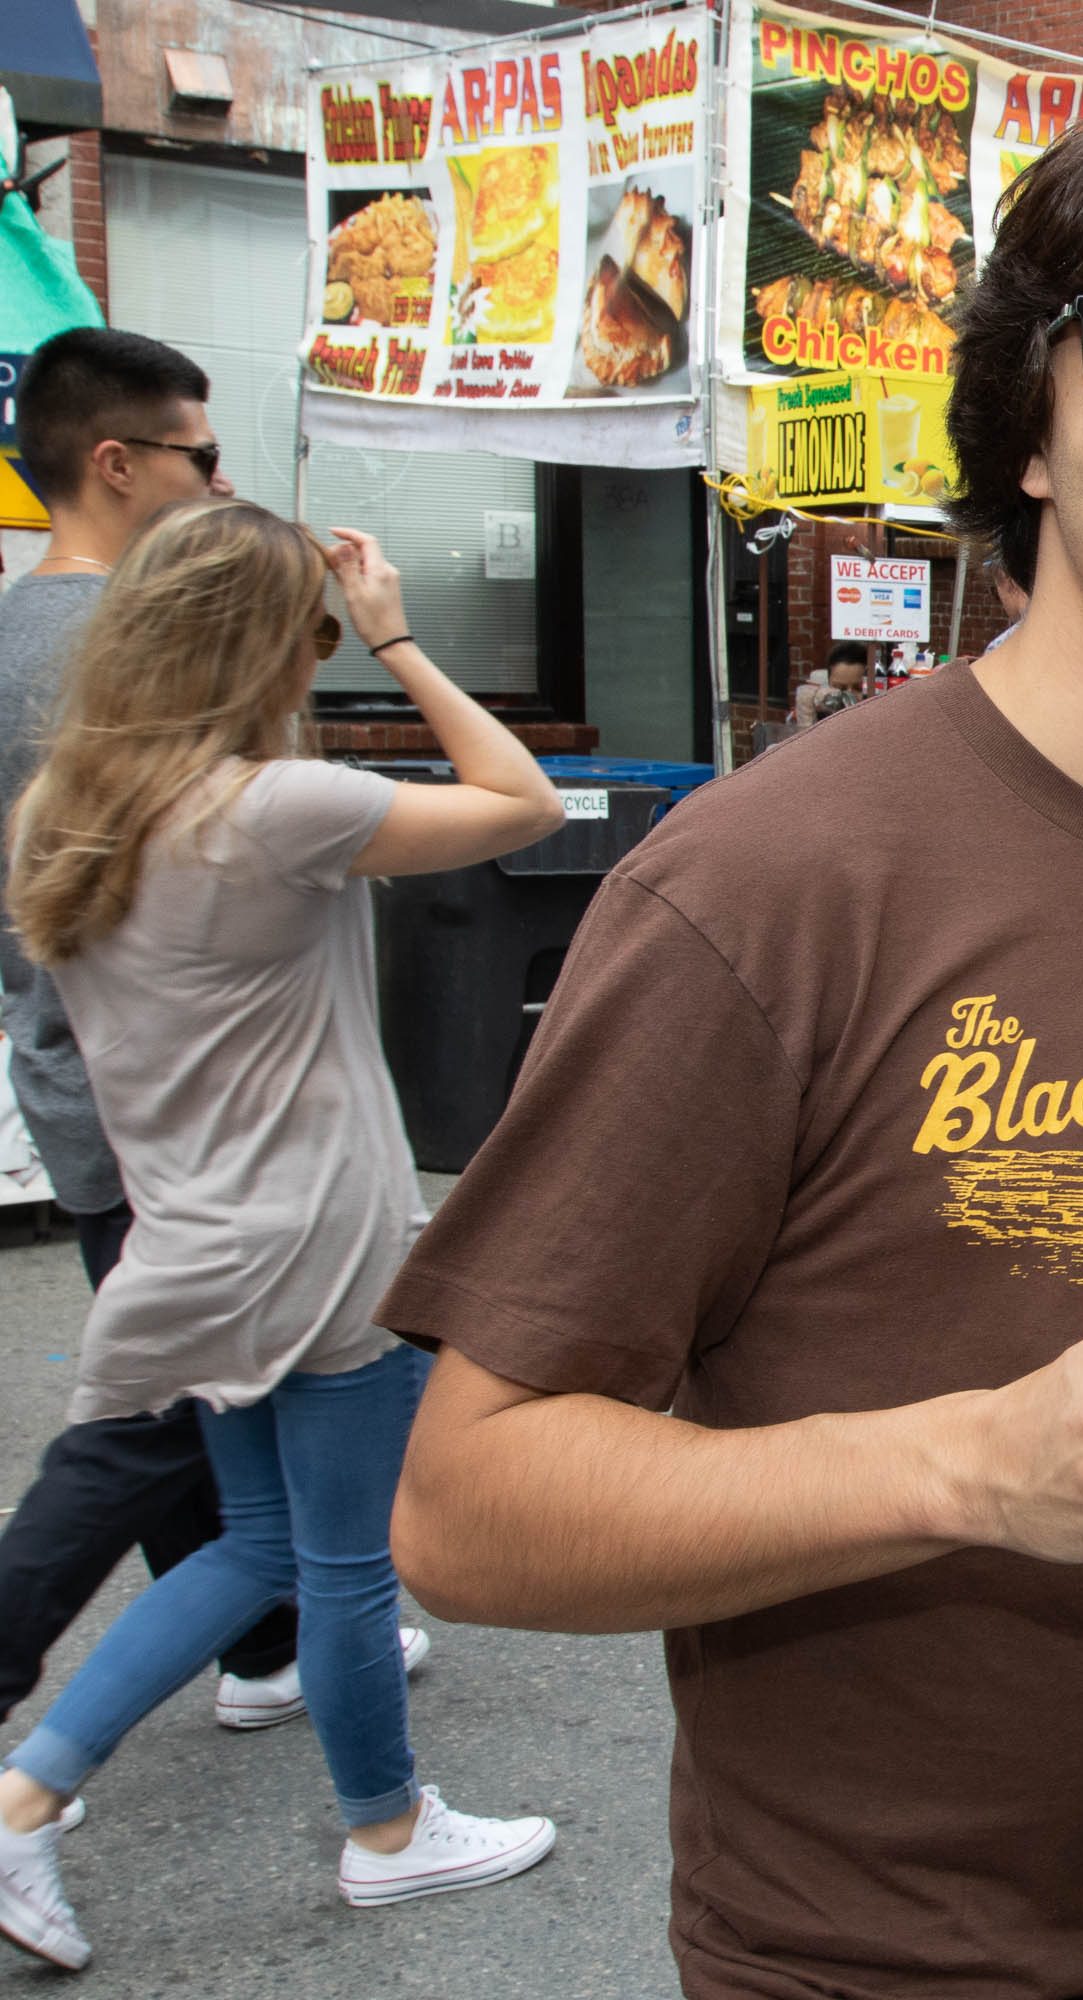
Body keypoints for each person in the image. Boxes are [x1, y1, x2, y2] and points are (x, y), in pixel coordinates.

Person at [378, 77, 1083, 2000]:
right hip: (882, 1964)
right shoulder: (764, 886)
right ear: (1034, 423)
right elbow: (467, 1510)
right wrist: (969, 1468)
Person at [0, 504, 567, 1970]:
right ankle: (387, 1832)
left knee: (256, 1540)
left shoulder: (68, 804)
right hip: (321, 1240)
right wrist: (393, 633)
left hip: (188, 1238)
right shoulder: (273, 809)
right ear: (260, 650)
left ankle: (24, 1799)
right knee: (341, 1563)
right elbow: (525, 804)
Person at [0, 327, 315, 1737]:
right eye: (201, 455)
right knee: (142, 1428)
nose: (221, 481)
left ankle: (267, 1641)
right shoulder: (116, 648)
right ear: (115, 463)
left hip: (77, 1075)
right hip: (177, 1099)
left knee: (198, 1402)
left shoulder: (13, 634)